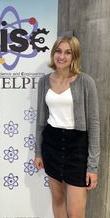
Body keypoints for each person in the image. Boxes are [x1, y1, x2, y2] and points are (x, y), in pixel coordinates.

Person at [34, 35, 100, 218]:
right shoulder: (44, 81)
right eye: (58, 51)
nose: (61, 56)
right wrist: (38, 152)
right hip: (51, 144)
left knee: (76, 212)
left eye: (67, 52)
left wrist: (92, 167)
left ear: (75, 56)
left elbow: (94, 125)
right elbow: (41, 120)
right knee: (57, 200)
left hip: (77, 146)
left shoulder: (86, 82)